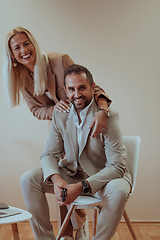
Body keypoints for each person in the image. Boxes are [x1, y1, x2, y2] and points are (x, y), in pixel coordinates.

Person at [3, 27, 112, 240]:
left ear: (33, 43)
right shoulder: (21, 78)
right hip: (59, 132)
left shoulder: (59, 61)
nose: (24, 50)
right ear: (13, 57)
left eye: (27, 43)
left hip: (84, 129)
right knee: (59, 179)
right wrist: (55, 110)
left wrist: (103, 110)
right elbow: (36, 110)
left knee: (74, 176)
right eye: (17, 47)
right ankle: (61, 235)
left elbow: (91, 86)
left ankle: (78, 227)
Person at [21, 64, 132, 240]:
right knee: (29, 179)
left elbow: (117, 166)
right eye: (71, 89)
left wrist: (82, 186)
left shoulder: (108, 116)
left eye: (82, 88)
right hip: (72, 175)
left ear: (92, 87)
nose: (77, 94)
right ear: (65, 90)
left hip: (103, 179)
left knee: (119, 189)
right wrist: (57, 181)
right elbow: (49, 154)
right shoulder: (60, 114)